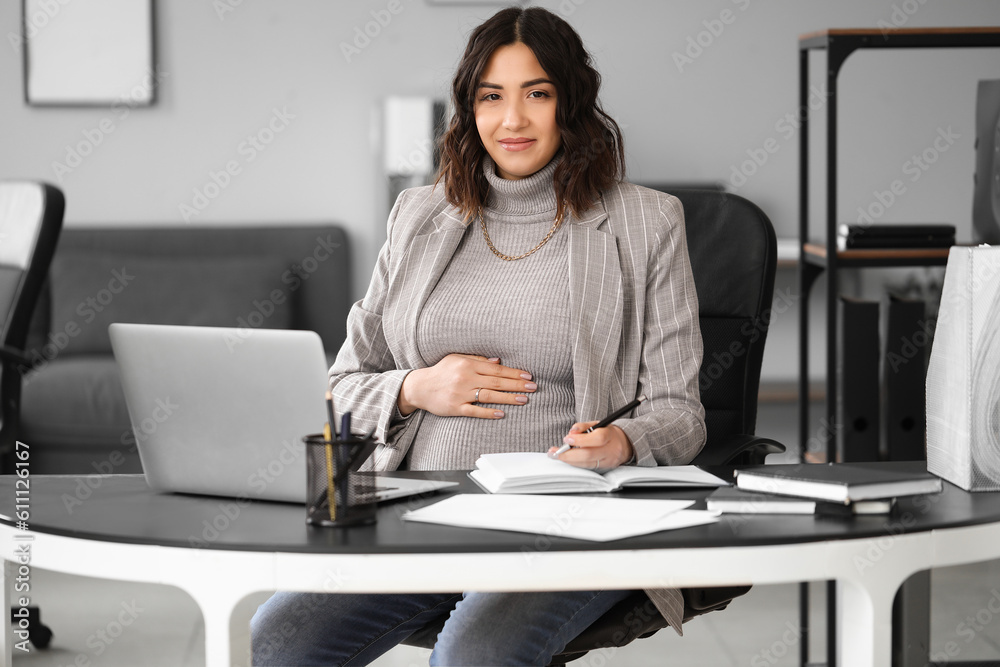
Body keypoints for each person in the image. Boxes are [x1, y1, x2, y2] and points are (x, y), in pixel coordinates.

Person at [251, 6, 705, 665]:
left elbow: (680, 411)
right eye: (491, 97)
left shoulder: (649, 222)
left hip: (565, 521)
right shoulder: (419, 214)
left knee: (477, 654)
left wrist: (624, 440)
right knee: (274, 641)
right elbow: (341, 387)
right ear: (469, 108)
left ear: (571, 104)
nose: (512, 120)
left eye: (537, 94)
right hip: (419, 511)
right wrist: (413, 386)